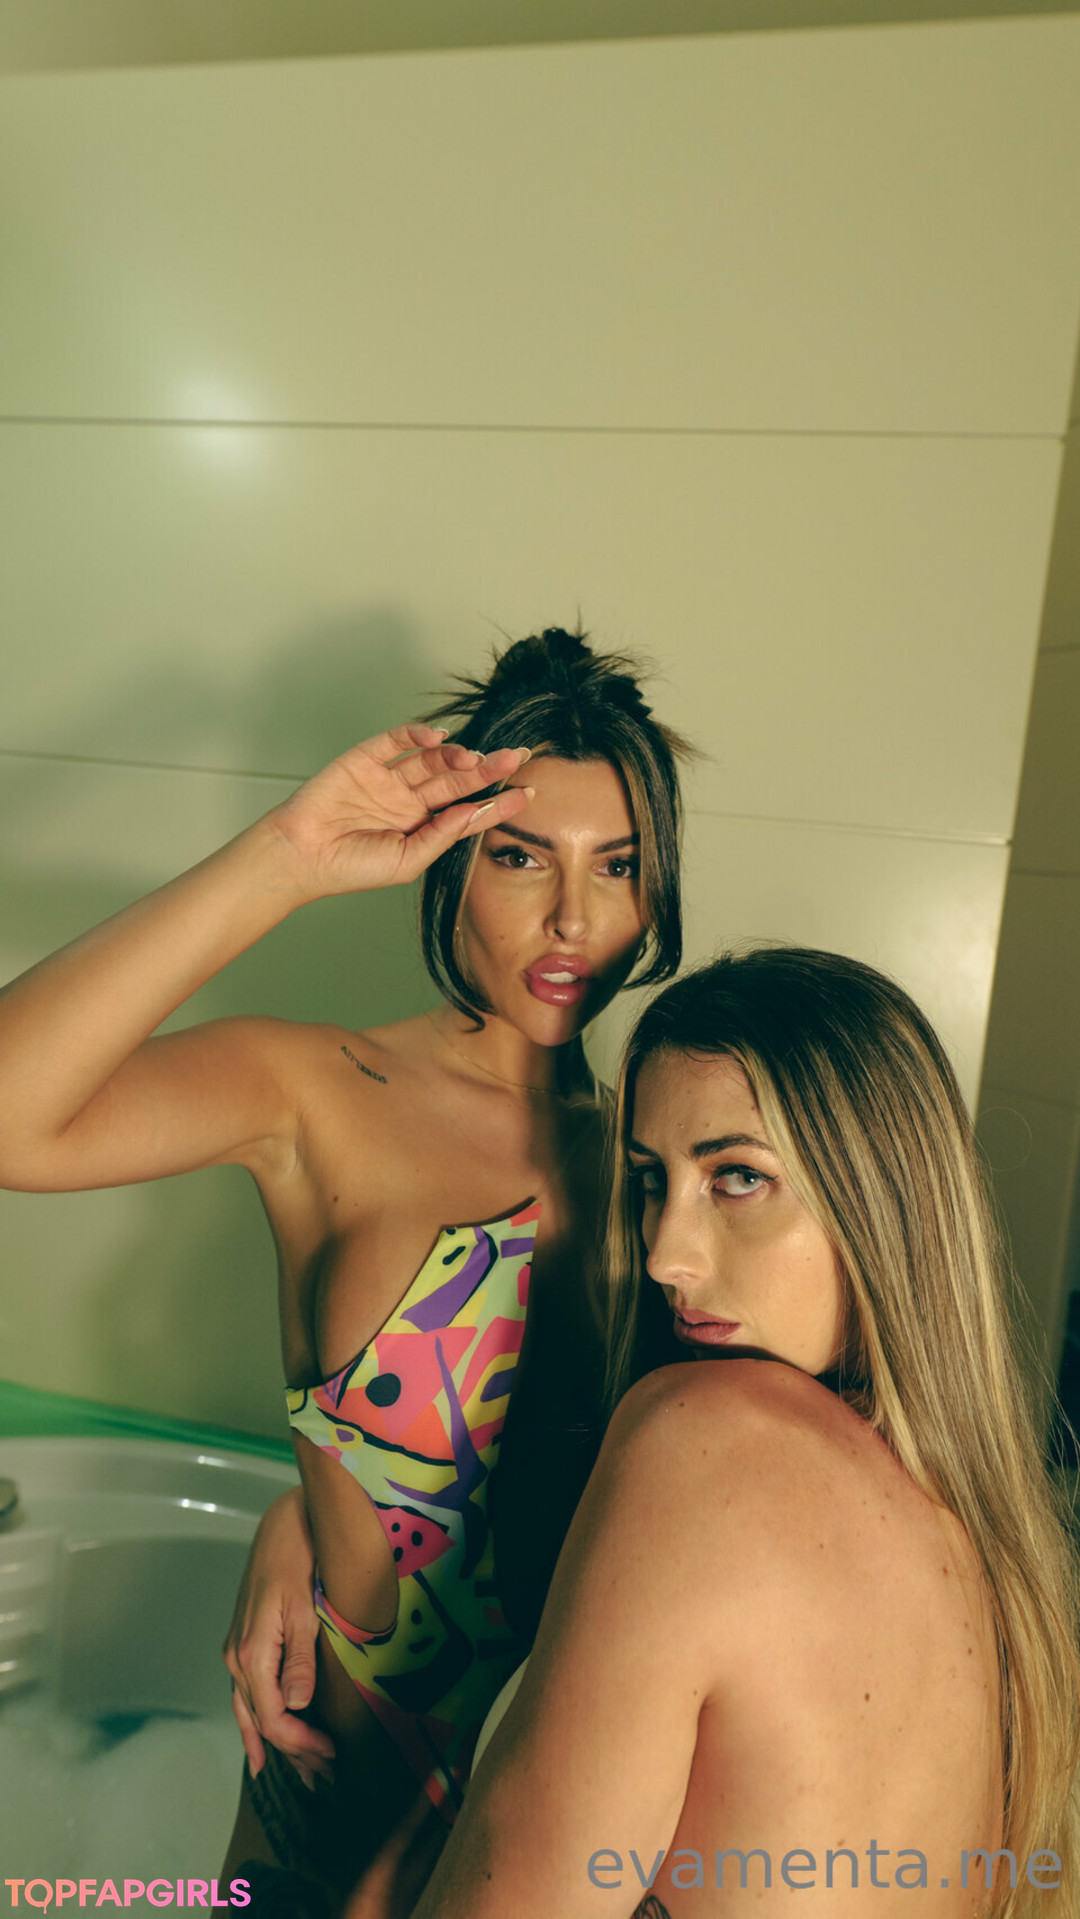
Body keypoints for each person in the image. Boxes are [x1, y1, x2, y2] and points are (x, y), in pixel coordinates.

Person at [0, 627, 689, 1917]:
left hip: (542, 1838)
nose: (573, 917)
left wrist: (297, 1507)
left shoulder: (669, 1163)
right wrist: (287, 857)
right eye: (519, 854)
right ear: (448, 865)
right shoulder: (322, 1089)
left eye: (619, 865)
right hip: (320, 1809)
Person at [391, 948, 1080, 1919]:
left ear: (884, 1199)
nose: (665, 1255)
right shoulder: (995, 1576)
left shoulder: (706, 1437)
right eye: (651, 1180)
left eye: (739, 1177)